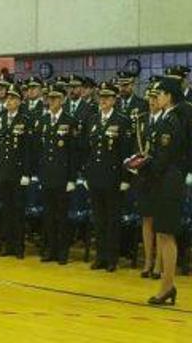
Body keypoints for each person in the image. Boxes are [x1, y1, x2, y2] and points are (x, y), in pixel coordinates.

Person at [143, 78, 187, 305]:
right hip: (166, 180)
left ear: (169, 96)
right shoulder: (170, 118)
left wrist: (142, 164)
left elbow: (164, 158)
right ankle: (167, 285)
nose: (155, 98)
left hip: (168, 181)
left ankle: (167, 286)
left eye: (159, 94)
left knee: (166, 234)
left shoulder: (171, 121)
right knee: (162, 233)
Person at [83, 82, 133, 272]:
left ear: (114, 100)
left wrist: (125, 179)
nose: (102, 101)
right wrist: (87, 174)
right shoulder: (93, 120)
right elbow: (88, 150)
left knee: (113, 220)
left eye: (106, 98)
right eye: (101, 98)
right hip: (95, 177)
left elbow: (126, 153)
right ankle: (100, 256)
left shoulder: (122, 120)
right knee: (99, 219)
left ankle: (112, 258)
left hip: (113, 178)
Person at [35, 85, 80, 265]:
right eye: (50, 98)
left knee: (62, 217)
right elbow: (40, 150)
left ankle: (62, 251)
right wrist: (38, 175)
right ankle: (50, 249)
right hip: (47, 176)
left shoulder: (69, 121)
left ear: (62, 100)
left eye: (55, 98)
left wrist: (71, 178)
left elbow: (73, 153)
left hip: (62, 177)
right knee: (48, 216)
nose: (51, 102)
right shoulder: (43, 120)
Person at [0, 82, 33, 258]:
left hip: (18, 172)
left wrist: (26, 173)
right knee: (5, 210)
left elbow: (28, 150)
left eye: (13, 98)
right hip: (3, 171)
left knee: (18, 210)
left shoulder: (25, 120)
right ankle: (6, 244)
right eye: (8, 98)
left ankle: (18, 246)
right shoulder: (0, 118)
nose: (9, 101)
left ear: (19, 101)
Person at [137, 84, 162, 279]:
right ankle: (147, 260)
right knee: (146, 219)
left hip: (160, 177)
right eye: (149, 98)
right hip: (144, 176)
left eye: (155, 98)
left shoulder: (167, 121)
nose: (152, 102)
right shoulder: (142, 120)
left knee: (160, 221)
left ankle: (159, 262)